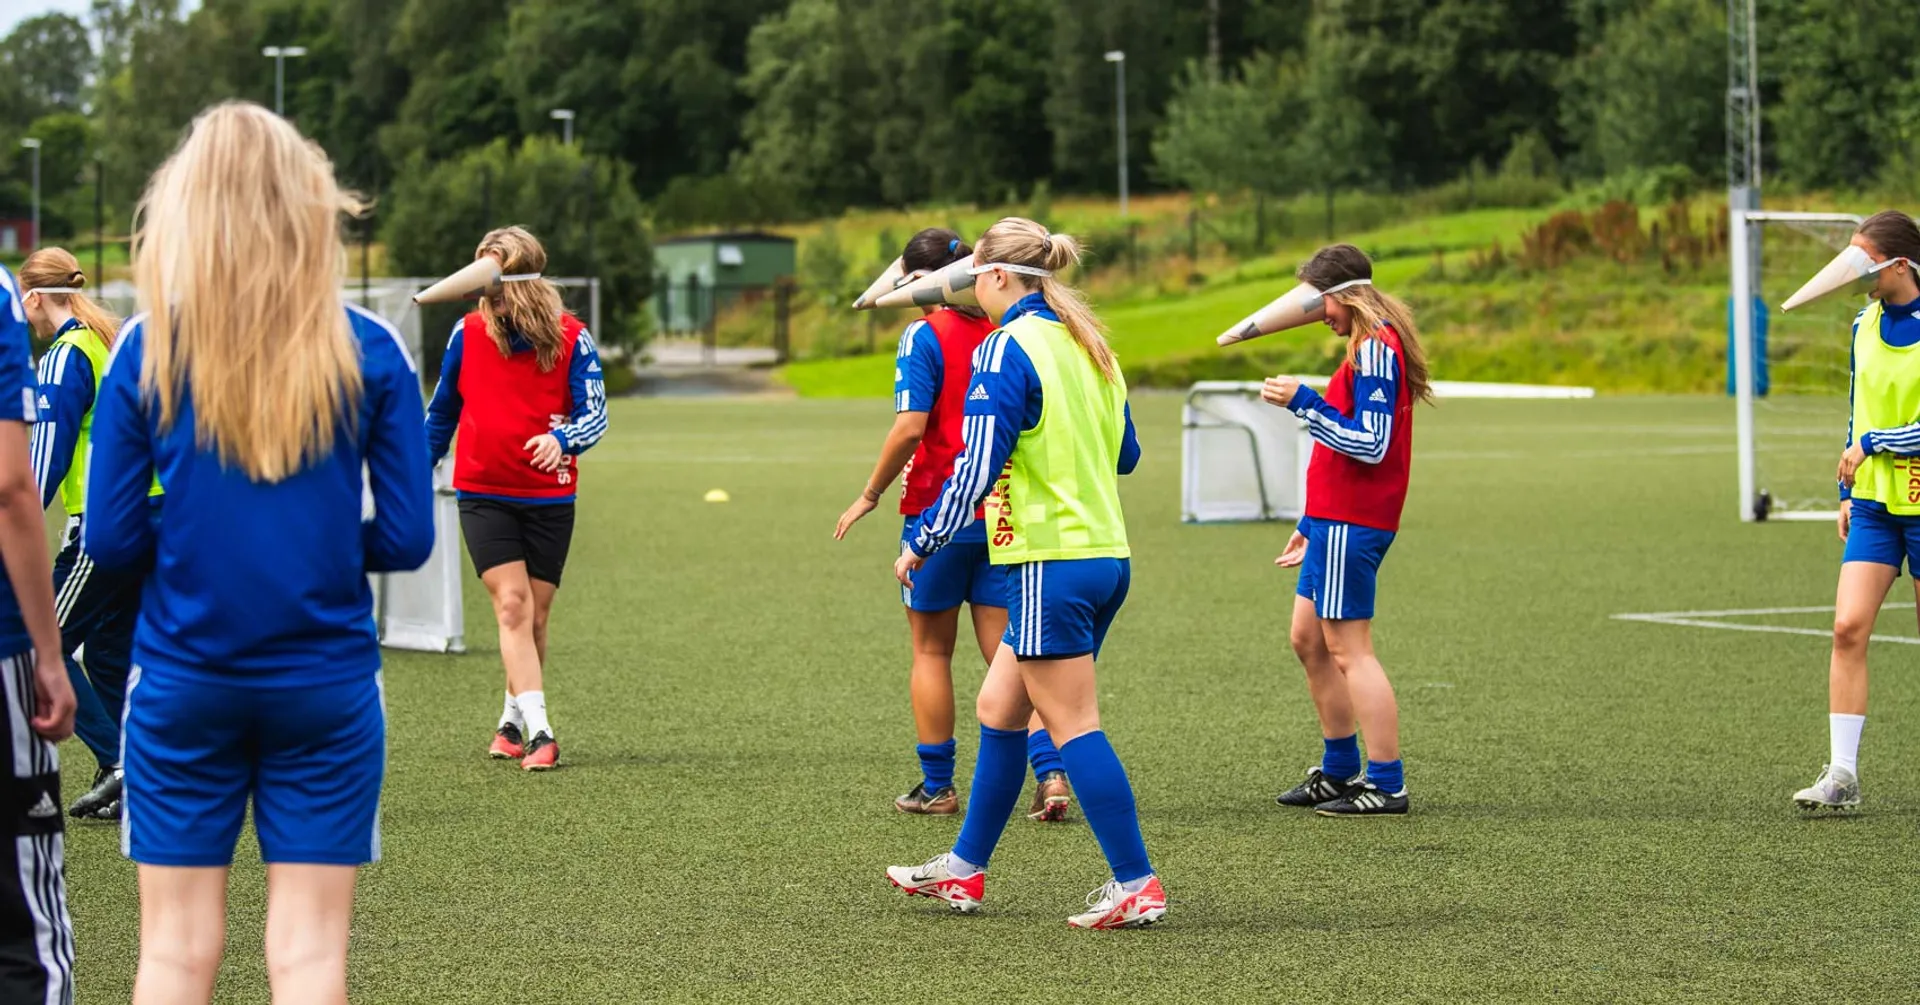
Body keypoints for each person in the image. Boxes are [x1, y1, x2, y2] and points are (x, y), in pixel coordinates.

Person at [86, 100, 433, 1005]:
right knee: (311, 958)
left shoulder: (144, 349)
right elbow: (405, 537)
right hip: (325, 682)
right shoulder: (370, 350)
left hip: (180, 679)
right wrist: (307, 548)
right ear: (310, 207)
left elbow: (116, 538)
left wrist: (205, 540)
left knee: (172, 954)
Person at [883, 218, 1163, 930]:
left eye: (976, 276)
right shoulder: (1087, 342)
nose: (972, 289)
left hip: (1050, 561)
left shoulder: (1009, 345)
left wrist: (923, 537)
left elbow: (975, 465)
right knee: (998, 709)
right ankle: (965, 870)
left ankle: (1137, 881)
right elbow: (1127, 454)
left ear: (1000, 278)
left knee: (1073, 724)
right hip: (1104, 556)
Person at [835, 228, 1072, 820]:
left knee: (931, 651)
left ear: (921, 284)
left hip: (936, 512)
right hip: (1000, 513)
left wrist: (870, 493)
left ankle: (937, 786)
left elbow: (912, 426)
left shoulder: (924, 333)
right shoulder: (1009, 328)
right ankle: (1051, 776)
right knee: (1010, 657)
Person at [425, 226, 608, 771]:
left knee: (534, 617)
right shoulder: (466, 333)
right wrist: (408, 470)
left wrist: (562, 439)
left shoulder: (574, 337)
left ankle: (510, 719)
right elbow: (440, 415)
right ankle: (542, 733)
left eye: (494, 276)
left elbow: (594, 414)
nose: (487, 290)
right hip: (482, 491)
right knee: (511, 605)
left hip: (550, 497)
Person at [1262, 243, 1431, 817]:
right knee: (1309, 640)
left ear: (1339, 296)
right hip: (1333, 522)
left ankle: (1386, 782)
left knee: (1349, 650)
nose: (1317, 316)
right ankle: (1338, 771)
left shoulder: (1375, 348)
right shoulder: (1368, 345)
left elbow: (1370, 443)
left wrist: (1302, 402)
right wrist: (1310, 522)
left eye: (1318, 304)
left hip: (1353, 523)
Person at [21, 248, 154, 822]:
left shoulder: (64, 355)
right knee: (105, 650)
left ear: (32, 298)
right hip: (157, 516)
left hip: (109, 523)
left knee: (36, 640)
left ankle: (124, 765)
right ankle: (130, 778)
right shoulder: (113, 341)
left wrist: (16, 530)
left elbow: (43, 464)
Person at [1796, 210, 1920, 811]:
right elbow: (1857, 408)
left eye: (1866, 259)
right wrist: (1848, 490)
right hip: (1874, 504)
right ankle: (1841, 776)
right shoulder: (1861, 324)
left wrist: (1871, 446)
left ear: (1899, 265)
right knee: (1847, 629)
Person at [0, 263, 77, 1005]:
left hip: (106, 530)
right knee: (26, 929)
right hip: (3, 640)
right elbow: (14, 482)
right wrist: (45, 654)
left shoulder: (76, 348)